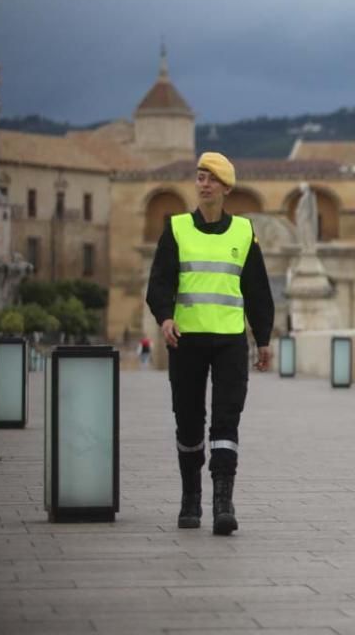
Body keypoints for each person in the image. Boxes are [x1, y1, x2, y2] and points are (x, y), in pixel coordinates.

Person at [145, 152, 274, 535]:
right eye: (200, 177)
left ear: (226, 188)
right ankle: (190, 499)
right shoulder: (177, 228)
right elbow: (160, 282)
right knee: (188, 421)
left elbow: (257, 290)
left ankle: (222, 502)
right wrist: (165, 317)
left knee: (225, 420)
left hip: (230, 341)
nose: (203, 184)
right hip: (187, 341)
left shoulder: (243, 233)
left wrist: (262, 338)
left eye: (211, 179)